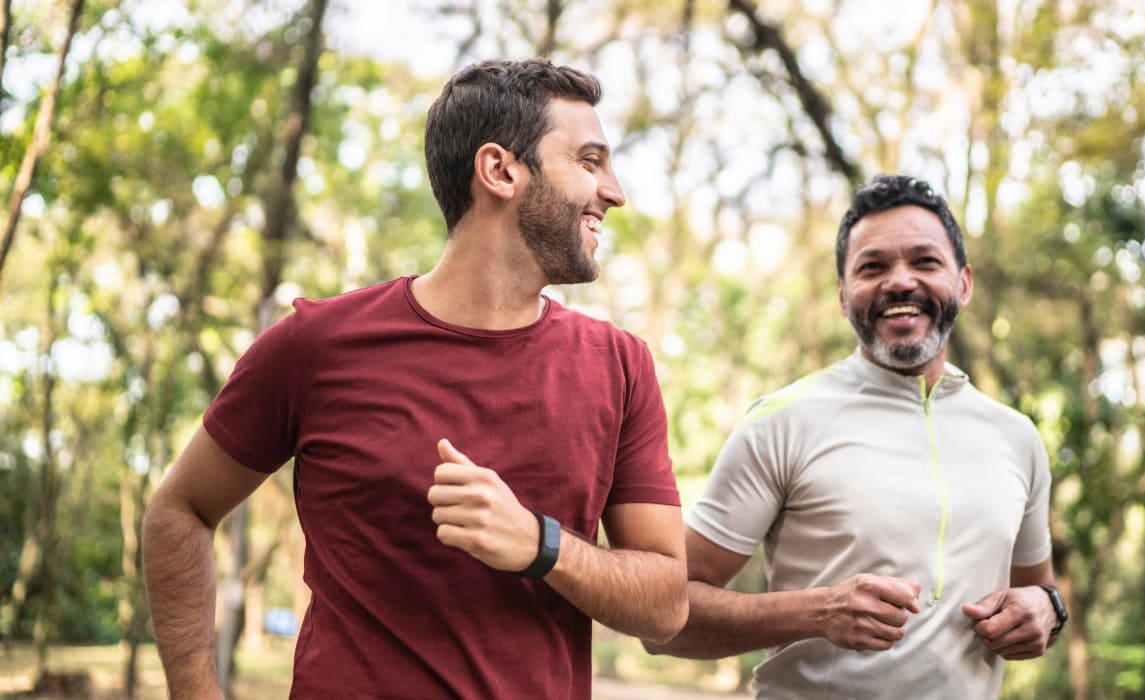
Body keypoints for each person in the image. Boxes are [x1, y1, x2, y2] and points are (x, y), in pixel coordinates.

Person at [142, 58, 688, 699]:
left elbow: (666, 603)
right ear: (500, 170)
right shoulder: (317, 346)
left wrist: (541, 545)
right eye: (590, 162)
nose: (615, 192)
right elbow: (179, 510)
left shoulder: (621, 366)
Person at [645, 174, 1066, 698]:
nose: (899, 282)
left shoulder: (1016, 436)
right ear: (844, 297)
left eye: (925, 261)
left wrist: (1048, 610)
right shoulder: (782, 422)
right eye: (873, 267)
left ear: (964, 283)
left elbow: (1039, 590)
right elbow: (664, 620)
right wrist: (815, 611)